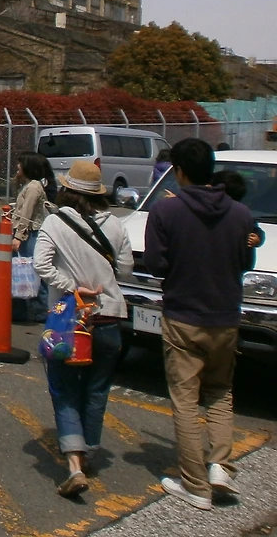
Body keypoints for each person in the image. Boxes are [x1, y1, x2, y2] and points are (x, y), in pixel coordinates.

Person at [145, 138, 256, 511]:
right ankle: (220, 466)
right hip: (226, 316)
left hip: (183, 315)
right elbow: (246, 262)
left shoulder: (166, 211)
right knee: (221, 391)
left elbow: (156, 264)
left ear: (178, 172)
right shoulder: (241, 213)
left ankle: (195, 485)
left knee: (186, 399)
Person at [32, 161, 133, 497]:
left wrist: (72, 286)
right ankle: (89, 450)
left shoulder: (55, 221)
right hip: (108, 316)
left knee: (64, 389)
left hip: (69, 319)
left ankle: (74, 464)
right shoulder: (116, 224)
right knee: (97, 389)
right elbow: (126, 269)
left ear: (66, 190)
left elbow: (41, 264)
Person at [11, 152, 56, 322]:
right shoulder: (28, 185)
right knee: (21, 273)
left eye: (20, 163)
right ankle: (21, 310)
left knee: (31, 272)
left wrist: (18, 236)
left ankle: (41, 311)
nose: (17, 166)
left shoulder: (33, 187)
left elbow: (27, 214)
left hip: (30, 234)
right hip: (26, 233)